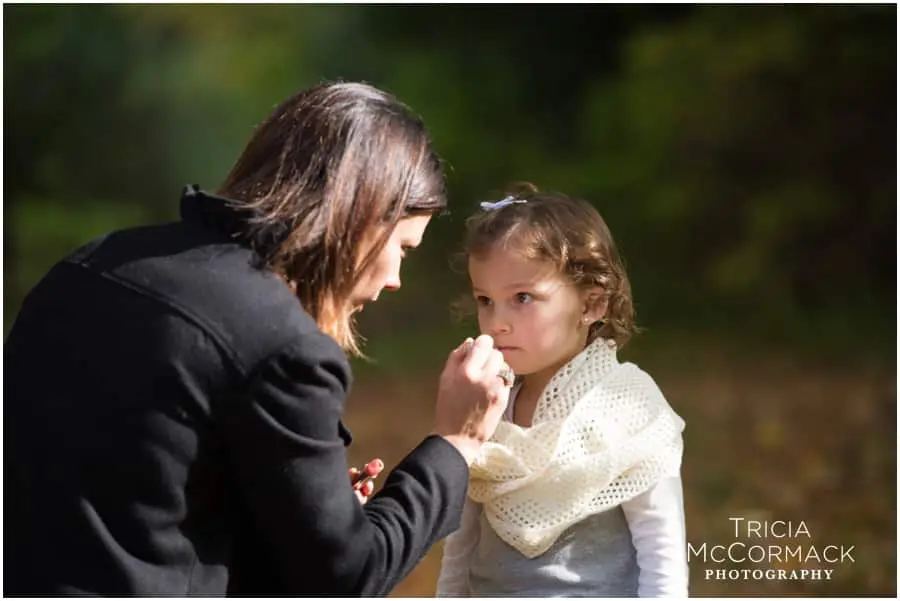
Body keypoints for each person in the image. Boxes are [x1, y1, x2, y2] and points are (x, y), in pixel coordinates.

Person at [4, 81, 514, 596]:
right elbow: (346, 575)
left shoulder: (88, 266)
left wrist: (296, 510)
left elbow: (134, 503)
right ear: (363, 215)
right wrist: (456, 443)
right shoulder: (283, 347)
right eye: (403, 247)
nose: (396, 279)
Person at [435, 186, 689, 597]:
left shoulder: (627, 403)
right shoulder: (487, 403)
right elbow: (460, 543)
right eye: (485, 300)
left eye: (522, 298)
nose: (496, 322)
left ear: (591, 305)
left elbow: (661, 548)